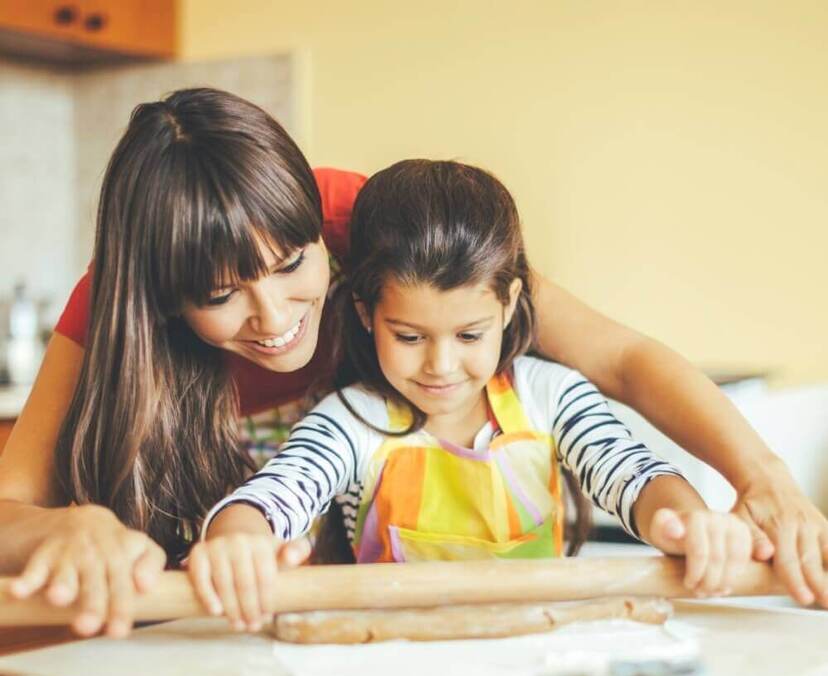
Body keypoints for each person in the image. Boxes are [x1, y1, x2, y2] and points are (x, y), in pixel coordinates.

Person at [0, 89, 824, 640]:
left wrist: (757, 480)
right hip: (252, 604)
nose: (277, 319)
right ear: (159, 299)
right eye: (221, 294)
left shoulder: (381, 227)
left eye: (294, 265)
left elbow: (622, 361)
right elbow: (12, 503)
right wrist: (72, 526)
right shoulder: (119, 303)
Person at [189, 159, 761, 631]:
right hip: (390, 665)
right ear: (365, 314)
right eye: (409, 337)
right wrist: (239, 541)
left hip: (542, 656)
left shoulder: (551, 396)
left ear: (509, 305)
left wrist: (689, 521)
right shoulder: (349, 421)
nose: (441, 365)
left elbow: (632, 474)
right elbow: (276, 496)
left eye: (469, 335)